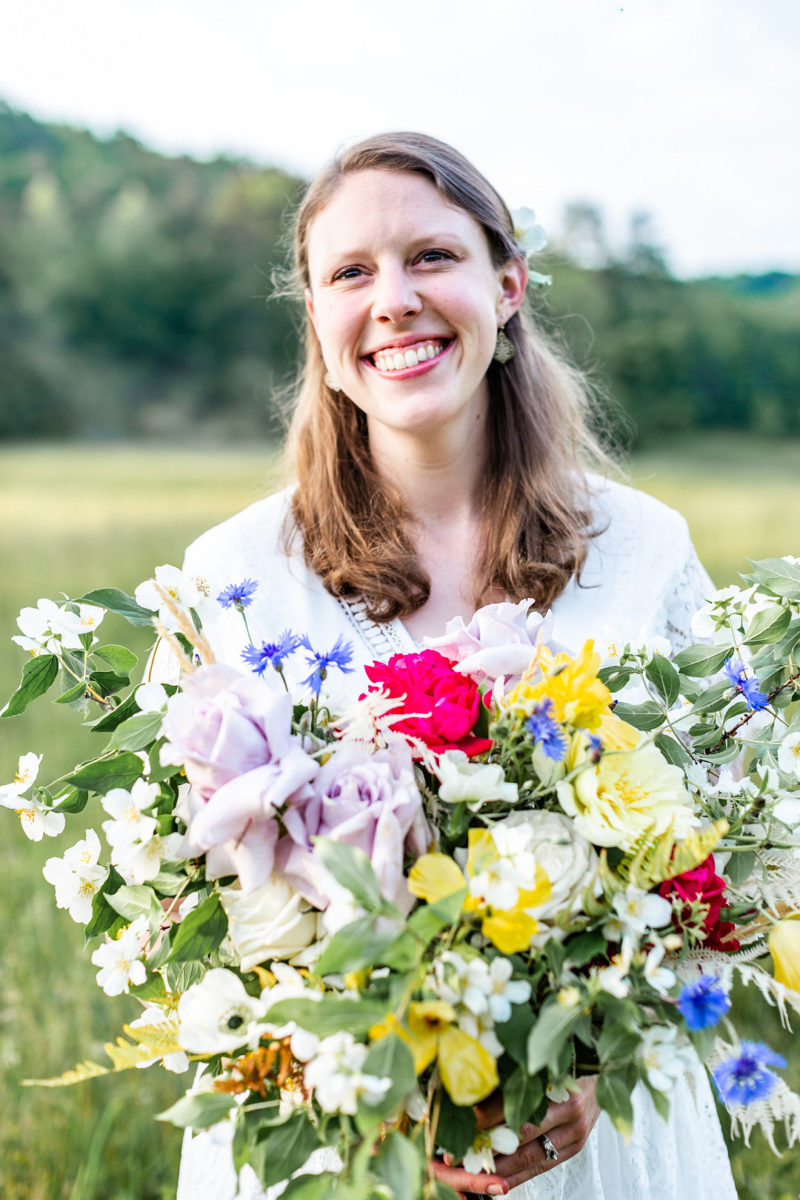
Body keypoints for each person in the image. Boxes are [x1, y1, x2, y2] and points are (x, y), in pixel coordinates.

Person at [171, 133, 738, 1199]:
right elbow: (196, 905)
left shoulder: (646, 547)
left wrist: (595, 1046)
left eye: (431, 257)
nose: (392, 300)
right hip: (334, 1130)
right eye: (349, 273)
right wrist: (371, 1078)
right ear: (315, 319)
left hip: (602, 1136)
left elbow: (726, 865)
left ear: (507, 287)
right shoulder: (233, 572)